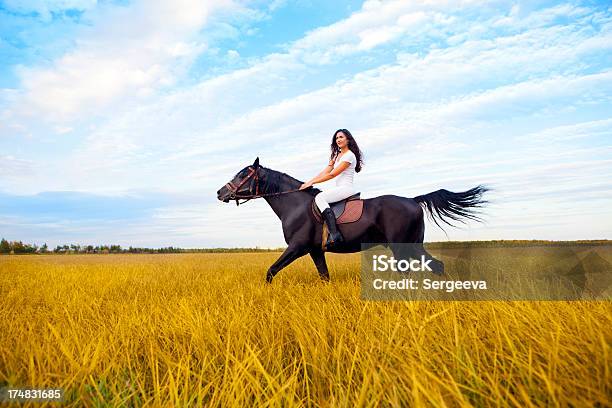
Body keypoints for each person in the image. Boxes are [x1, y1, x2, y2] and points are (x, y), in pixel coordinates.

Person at [299, 129, 363, 249]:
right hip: (339, 188)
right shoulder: (337, 155)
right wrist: (309, 182)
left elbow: (332, 174)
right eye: (336, 138)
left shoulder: (349, 155)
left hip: (346, 189)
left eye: (341, 137)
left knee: (320, 197)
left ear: (348, 139)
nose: (338, 140)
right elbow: (326, 171)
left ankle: (335, 234)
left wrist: (313, 182)